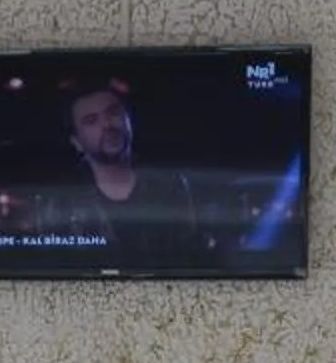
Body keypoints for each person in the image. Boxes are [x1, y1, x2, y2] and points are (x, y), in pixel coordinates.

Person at [27, 77, 213, 267]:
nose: (107, 125)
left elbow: (194, 257)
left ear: (128, 120)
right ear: (76, 142)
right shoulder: (57, 201)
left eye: (113, 112)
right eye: (91, 121)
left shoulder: (172, 187)